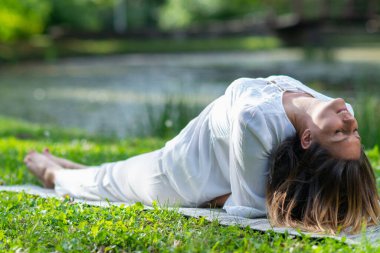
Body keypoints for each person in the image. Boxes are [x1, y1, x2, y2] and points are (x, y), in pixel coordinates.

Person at [24, 75, 380, 234]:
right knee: (114, 175)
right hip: (188, 149)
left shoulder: (255, 119)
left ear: (306, 139)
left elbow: (250, 210)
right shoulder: (337, 109)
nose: (348, 119)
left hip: (178, 177)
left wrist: (209, 197)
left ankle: (54, 174)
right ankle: (84, 169)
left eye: (338, 132)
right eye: (354, 132)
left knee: (108, 181)